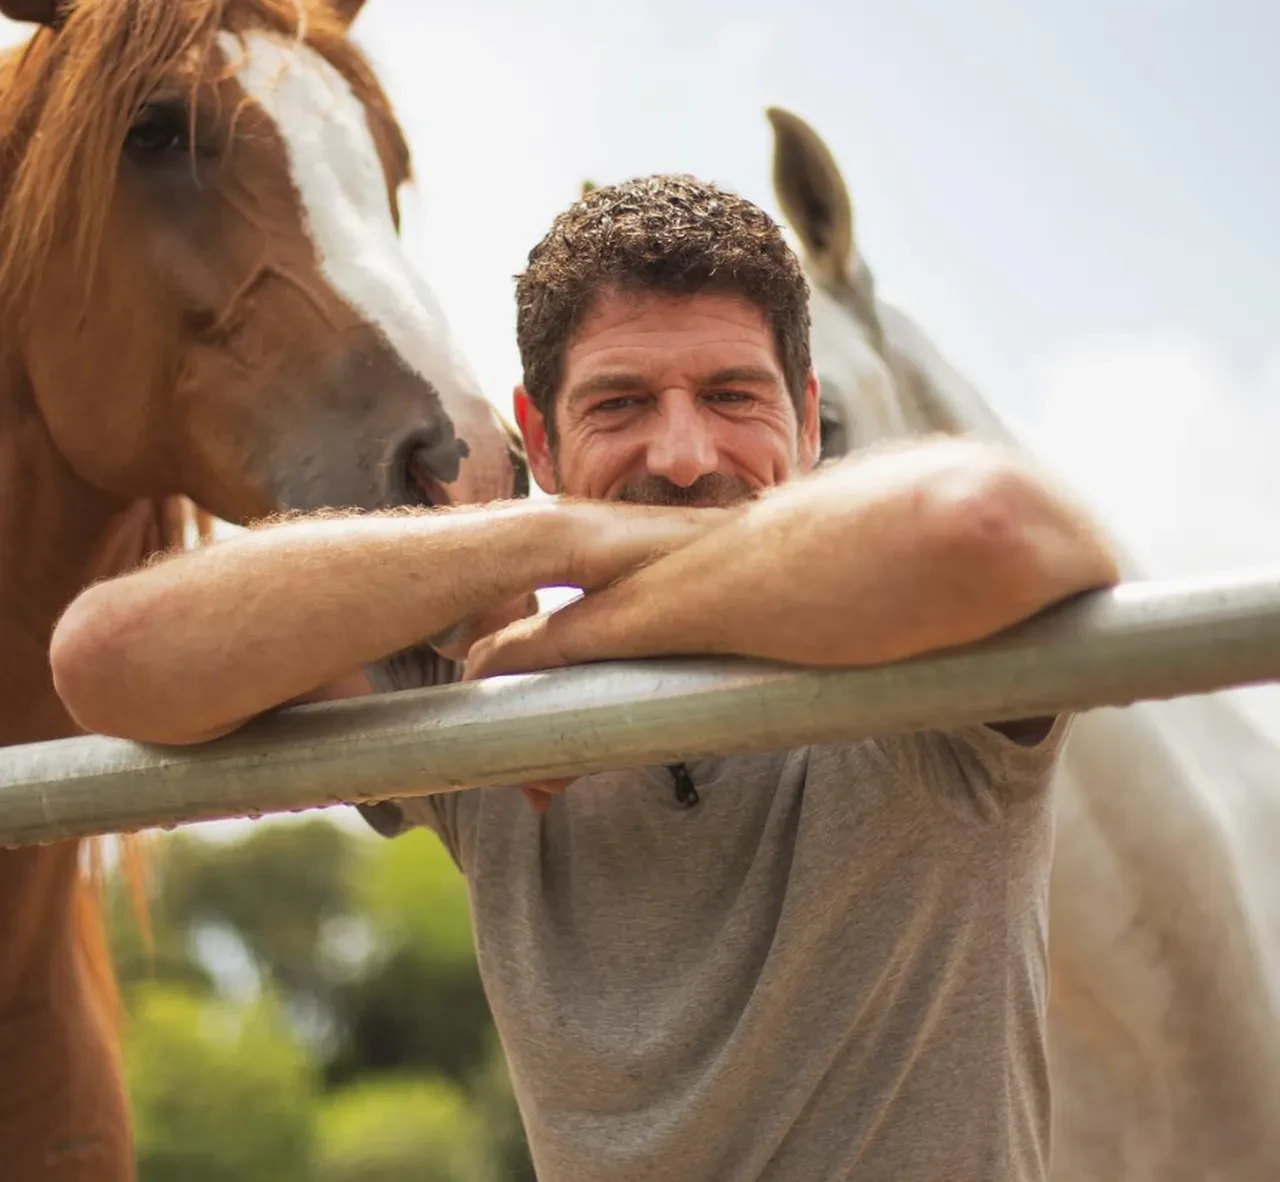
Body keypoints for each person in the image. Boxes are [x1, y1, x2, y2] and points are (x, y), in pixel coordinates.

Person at [50, 174, 1119, 1182]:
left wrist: (580, 636)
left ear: (803, 416)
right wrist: (544, 539)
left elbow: (987, 523)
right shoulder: (483, 697)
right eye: (618, 406)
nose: (686, 453)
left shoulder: (930, 657)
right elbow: (112, 659)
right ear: (539, 443)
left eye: (731, 395)